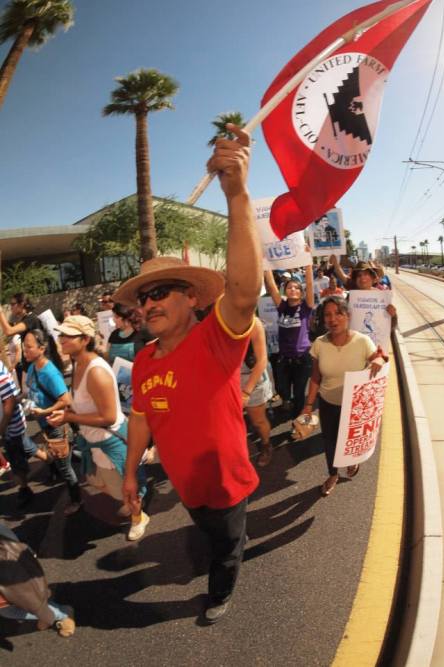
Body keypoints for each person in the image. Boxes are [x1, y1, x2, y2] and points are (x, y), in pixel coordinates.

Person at [115, 124, 261, 624]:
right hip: (186, 487)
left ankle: (221, 591)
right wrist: (131, 473)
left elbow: (243, 291)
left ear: (193, 298)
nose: (148, 303)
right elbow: (140, 420)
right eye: (144, 297)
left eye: (162, 292)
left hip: (226, 487)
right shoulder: (143, 362)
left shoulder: (215, 339)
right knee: (207, 533)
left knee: (224, 547)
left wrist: (237, 194)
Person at [46, 316, 147, 541]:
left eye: (67, 336)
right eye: (60, 334)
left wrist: (68, 416)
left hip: (110, 441)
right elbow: (78, 401)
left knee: (126, 490)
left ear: (84, 339)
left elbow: (109, 416)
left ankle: (138, 517)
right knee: (99, 482)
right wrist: (58, 411)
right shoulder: (76, 363)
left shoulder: (96, 372)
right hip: (93, 441)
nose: (61, 340)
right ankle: (132, 502)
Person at [301, 296, 387, 496]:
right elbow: (315, 377)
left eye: (338, 313)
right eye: (328, 315)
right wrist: (308, 405)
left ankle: (354, 459)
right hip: (328, 403)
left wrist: (380, 361)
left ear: (347, 316)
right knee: (330, 441)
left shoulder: (362, 341)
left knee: (350, 441)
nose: (333, 319)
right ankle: (333, 474)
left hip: (355, 407)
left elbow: (379, 357)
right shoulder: (319, 344)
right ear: (323, 320)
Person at [23, 329, 82, 516]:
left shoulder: (49, 372)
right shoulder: (32, 367)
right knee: (65, 457)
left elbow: (66, 400)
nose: (25, 351)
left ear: (41, 348)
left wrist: (44, 411)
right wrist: (20, 399)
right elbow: (31, 390)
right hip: (45, 425)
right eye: (24, 346)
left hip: (57, 426)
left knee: (65, 468)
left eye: (29, 347)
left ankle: (76, 499)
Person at [0, 521, 75, 637]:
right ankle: (48, 614)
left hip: (10, 576)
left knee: (13, 607)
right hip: (15, 558)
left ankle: (60, 614)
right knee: (29, 596)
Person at [264, 257, 314, 418]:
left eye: (296, 288)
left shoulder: (306, 307)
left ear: (301, 292)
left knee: (299, 393)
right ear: (285, 291)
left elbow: (310, 285)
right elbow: (272, 287)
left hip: (302, 360)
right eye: (289, 287)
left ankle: (297, 422)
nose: (292, 289)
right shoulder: (282, 306)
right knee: (283, 389)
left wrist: (308, 266)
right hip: (284, 359)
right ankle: (286, 400)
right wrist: (266, 265)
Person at [0, 354, 34, 508]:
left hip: (10, 425)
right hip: (8, 425)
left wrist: (2, 427)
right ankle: (51, 461)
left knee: (16, 459)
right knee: (26, 446)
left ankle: (24, 488)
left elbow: (9, 401)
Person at [241, 318, 273, 467]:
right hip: (227, 382)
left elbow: (262, 361)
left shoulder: (254, 323)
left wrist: (246, 392)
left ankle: (266, 446)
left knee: (258, 421)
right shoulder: (216, 323)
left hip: (252, 381)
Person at [0, 293, 43, 386]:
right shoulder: (26, 319)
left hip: (37, 368)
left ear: (22, 304)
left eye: (13, 304)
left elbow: (9, 331)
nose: (10, 307)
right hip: (29, 367)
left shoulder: (31, 319)